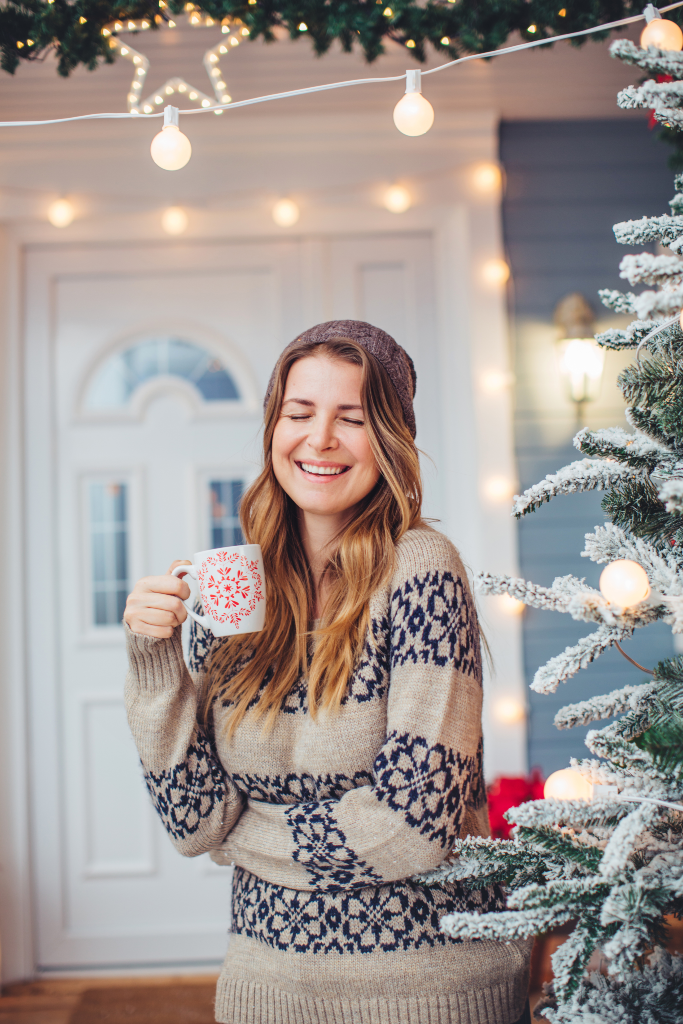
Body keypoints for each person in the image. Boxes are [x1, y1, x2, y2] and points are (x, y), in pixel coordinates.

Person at [123, 320, 532, 1024]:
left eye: (351, 418)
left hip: (426, 988)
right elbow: (194, 821)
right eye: (299, 413)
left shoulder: (421, 569)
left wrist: (245, 836)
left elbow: (411, 826)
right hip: (266, 984)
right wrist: (152, 657)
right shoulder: (239, 586)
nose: (319, 440)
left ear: (389, 440)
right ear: (272, 430)